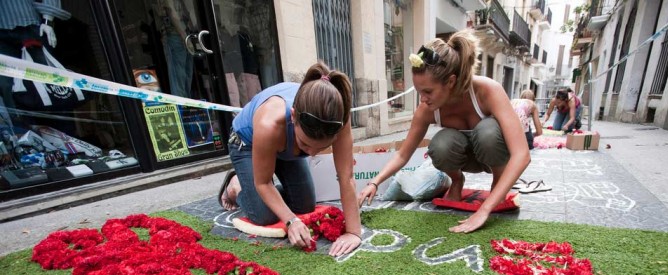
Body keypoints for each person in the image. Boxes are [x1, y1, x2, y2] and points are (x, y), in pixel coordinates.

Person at [357, 30, 530, 233]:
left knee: (487, 132)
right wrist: (374, 183)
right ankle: (457, 181)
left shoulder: (487, 90)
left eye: (428, 92)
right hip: (467, 159)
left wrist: (484, 209)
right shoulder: (426, 110)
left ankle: (498, 185)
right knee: (439, 144)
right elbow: (403, 154)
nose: (422, 99)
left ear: (450, 82)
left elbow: (522, 154)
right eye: (419, 92)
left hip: (495, 156)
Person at [219, 62, 362, 256]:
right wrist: (291, 221)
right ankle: (236, 186)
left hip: (285, 146)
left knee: (304, 205)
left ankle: (262, 178)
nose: (311, 154)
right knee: (264, 215)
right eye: (306, 145)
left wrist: (353, 232)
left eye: (321, 148)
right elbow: (263, 183)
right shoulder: (269, 123)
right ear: (293, 116)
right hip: (247, 143)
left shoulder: (338, 119)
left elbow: (346, 177)